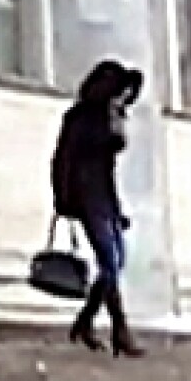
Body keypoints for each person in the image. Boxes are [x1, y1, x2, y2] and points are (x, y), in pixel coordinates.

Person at [50, 59, 145, 358]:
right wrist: (63, 199)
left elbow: (108, 170)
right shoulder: (80, 118)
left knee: (116, 262)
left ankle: (85, 322)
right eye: (121, 93)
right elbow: (62, 160)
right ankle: (120, 329)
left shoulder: (109, 118)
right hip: (87, 199)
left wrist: (118, 211)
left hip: (104, 200)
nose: (124, 100)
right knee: (109, 261)